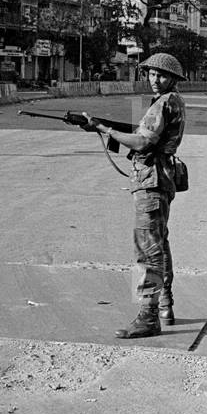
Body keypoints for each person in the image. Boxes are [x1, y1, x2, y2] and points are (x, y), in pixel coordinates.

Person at [83, 53, 187, 338]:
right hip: (161, 178)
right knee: (160, 243)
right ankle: (164, 304)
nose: (155, 79)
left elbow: (142, 141)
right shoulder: (171, 101)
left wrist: (105, 129)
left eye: (162, 75)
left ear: (174, 79)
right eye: (152, 74)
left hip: (151, 180)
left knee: (148, 251)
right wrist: (111, 128)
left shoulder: (164, 102)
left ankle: (147, 316)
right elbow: (144, 133)